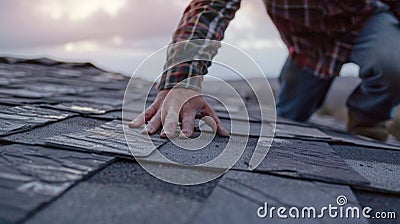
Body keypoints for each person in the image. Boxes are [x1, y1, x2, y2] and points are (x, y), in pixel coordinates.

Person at [130, 0, 400, 142]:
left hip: (364, 21)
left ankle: (368, 122)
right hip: (307, 51)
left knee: (393, 64)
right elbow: (209, 10)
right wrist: (183, 80)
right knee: (284, 125)